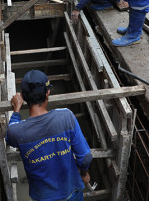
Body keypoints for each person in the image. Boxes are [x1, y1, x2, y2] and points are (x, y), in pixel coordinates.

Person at [6, 70, 93, 201]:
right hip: (72, 190)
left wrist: (17, 108)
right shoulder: (66, 116)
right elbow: (85, 157)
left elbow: (10, 131)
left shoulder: (17, 131)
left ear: (23, 96)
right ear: (48, 93)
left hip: (43, 197)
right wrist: (84, 173)